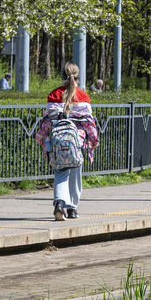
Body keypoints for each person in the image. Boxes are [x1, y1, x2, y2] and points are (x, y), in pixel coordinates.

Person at [46, 62, 98, 220]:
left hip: (58, 140)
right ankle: (72, 209)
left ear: (62, 75)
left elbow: (47, 120)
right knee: (76, 174)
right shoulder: (83, 96)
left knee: (61, 172)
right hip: (77, 141)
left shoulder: (54, 95)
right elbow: (88, 122)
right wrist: (94, 140)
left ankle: (59, 203)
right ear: (78, 76)